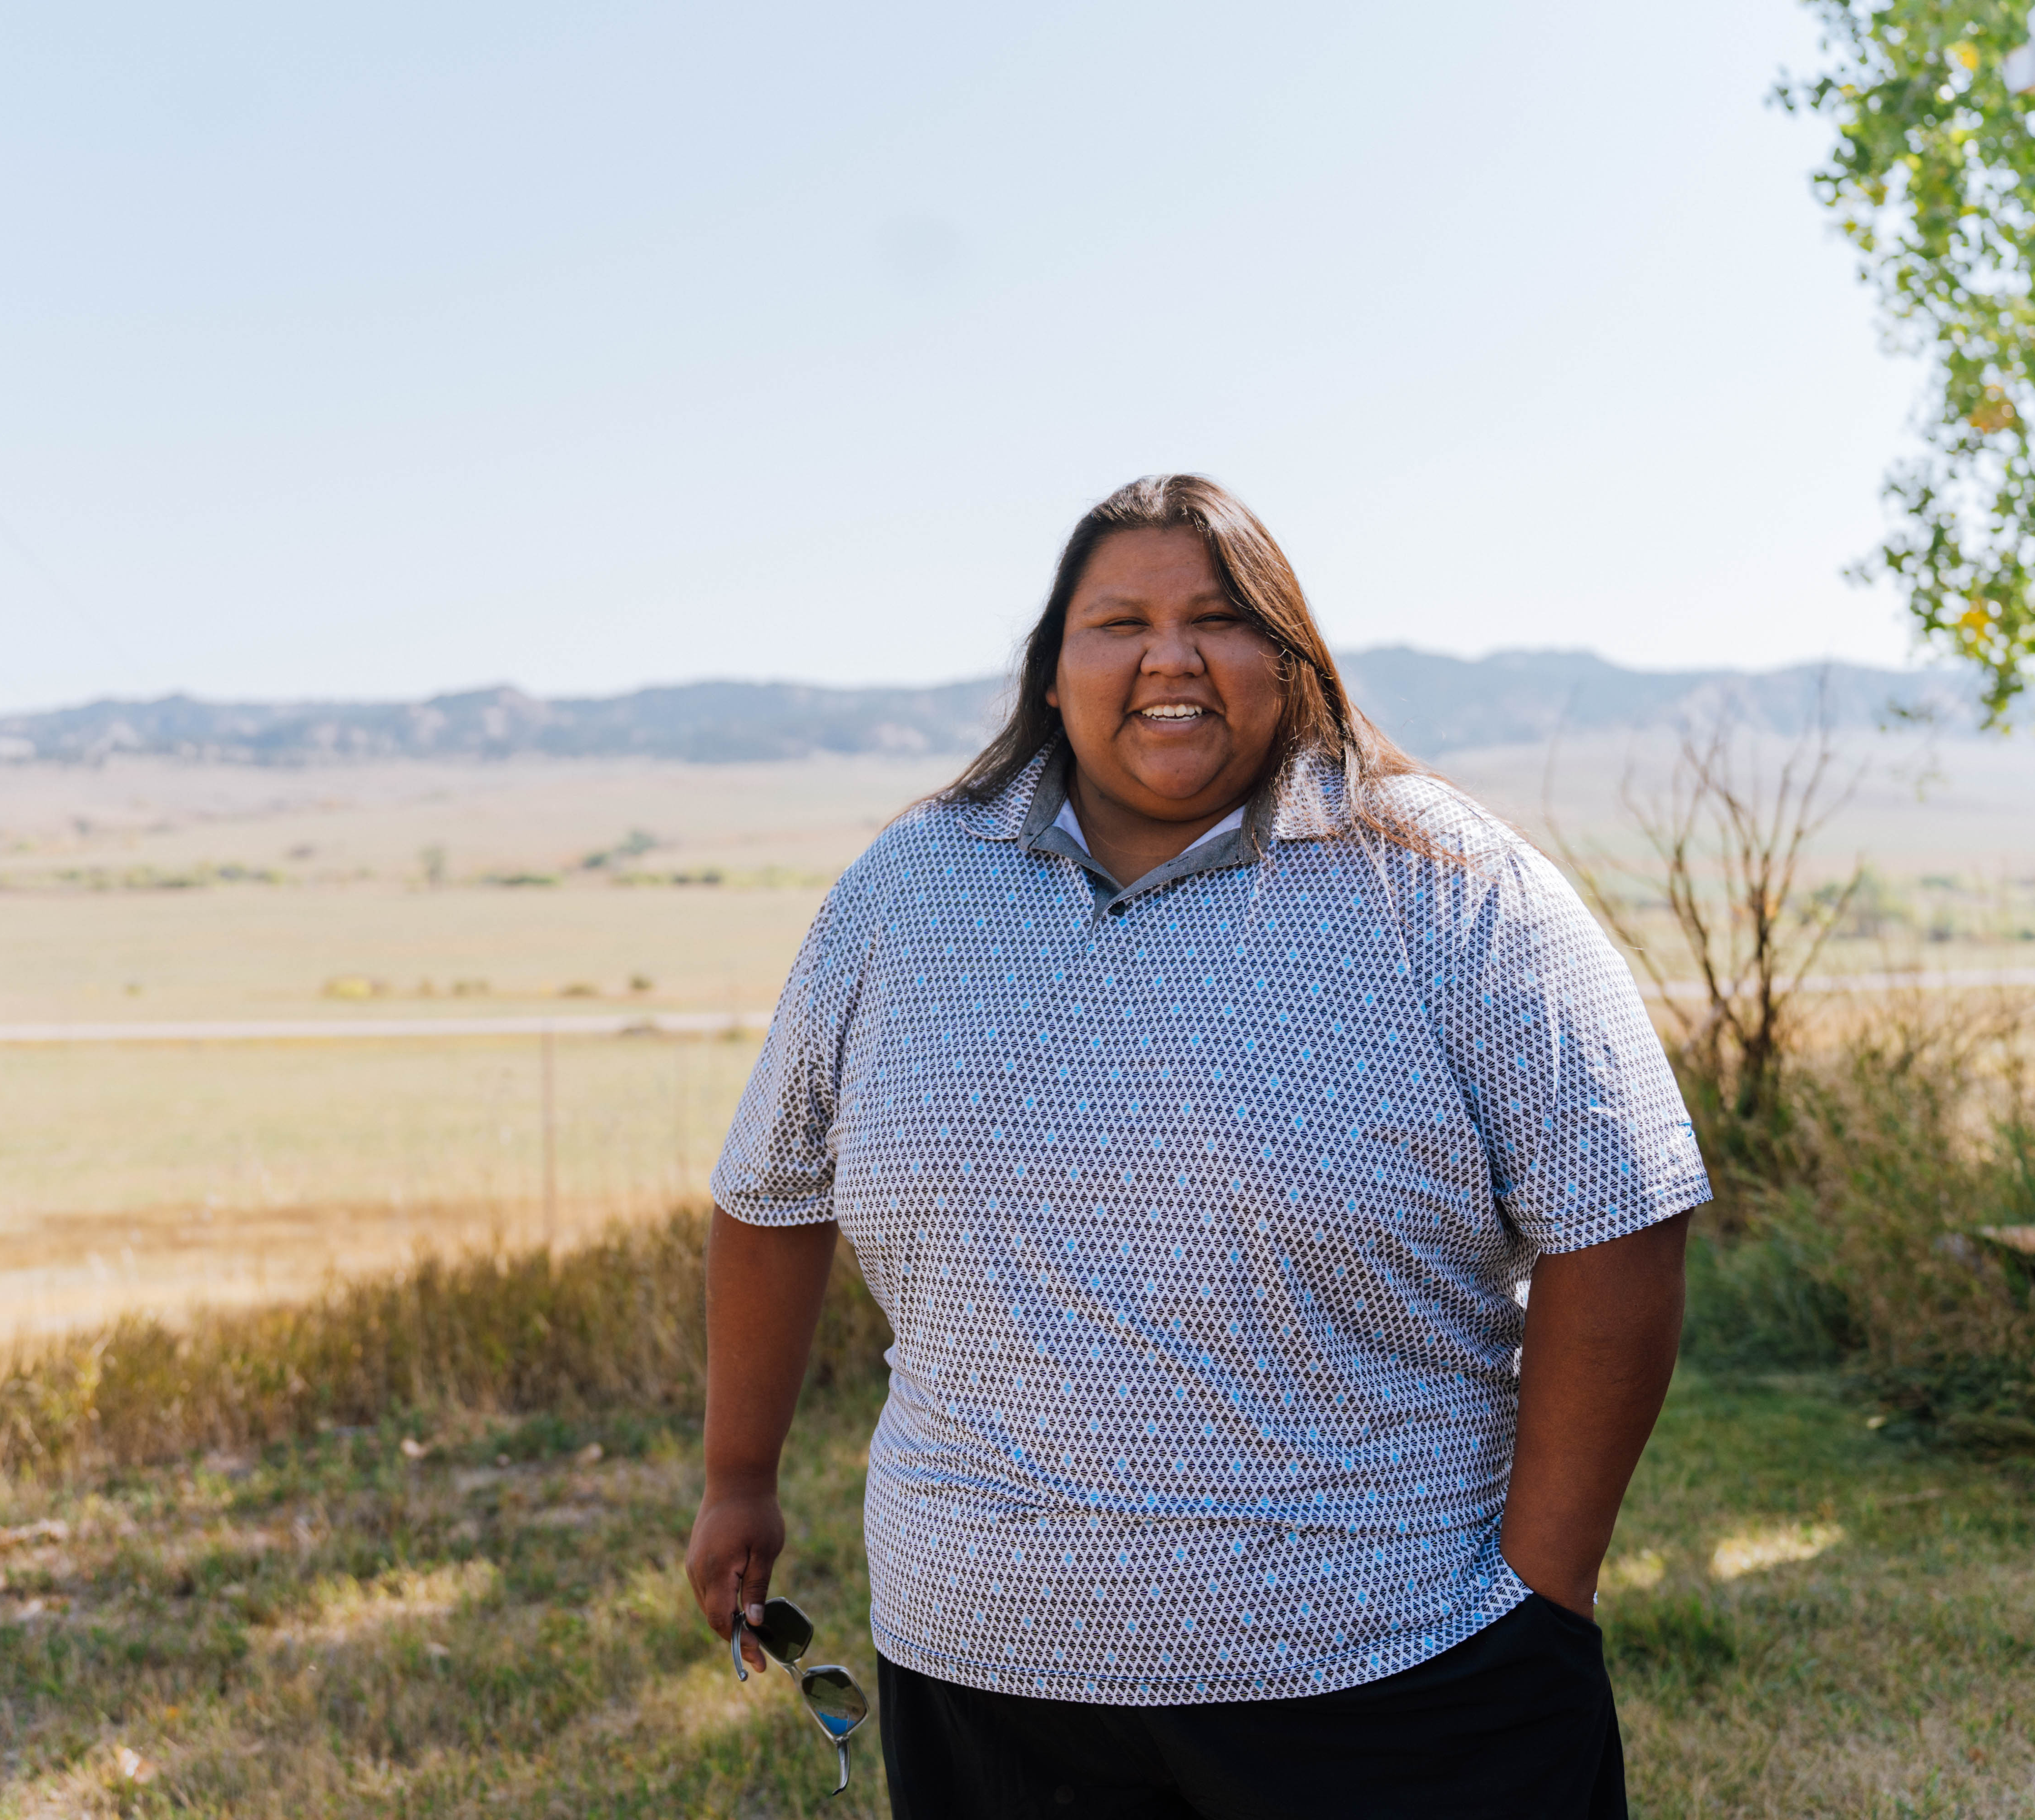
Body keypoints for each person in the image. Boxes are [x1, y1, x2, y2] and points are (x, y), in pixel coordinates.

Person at [685, 475, 1706, 1818]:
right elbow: (770, 1191)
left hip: (1393, 1669)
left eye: (1219, 620)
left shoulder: (1454, 888)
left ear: (1291, 665)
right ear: (1054, 674)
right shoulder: (908, 890)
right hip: (981, 1670)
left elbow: (1622, 1213)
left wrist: (1546, 1591)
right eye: (1119, 623)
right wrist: (737, 1478)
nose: (1170, 656)